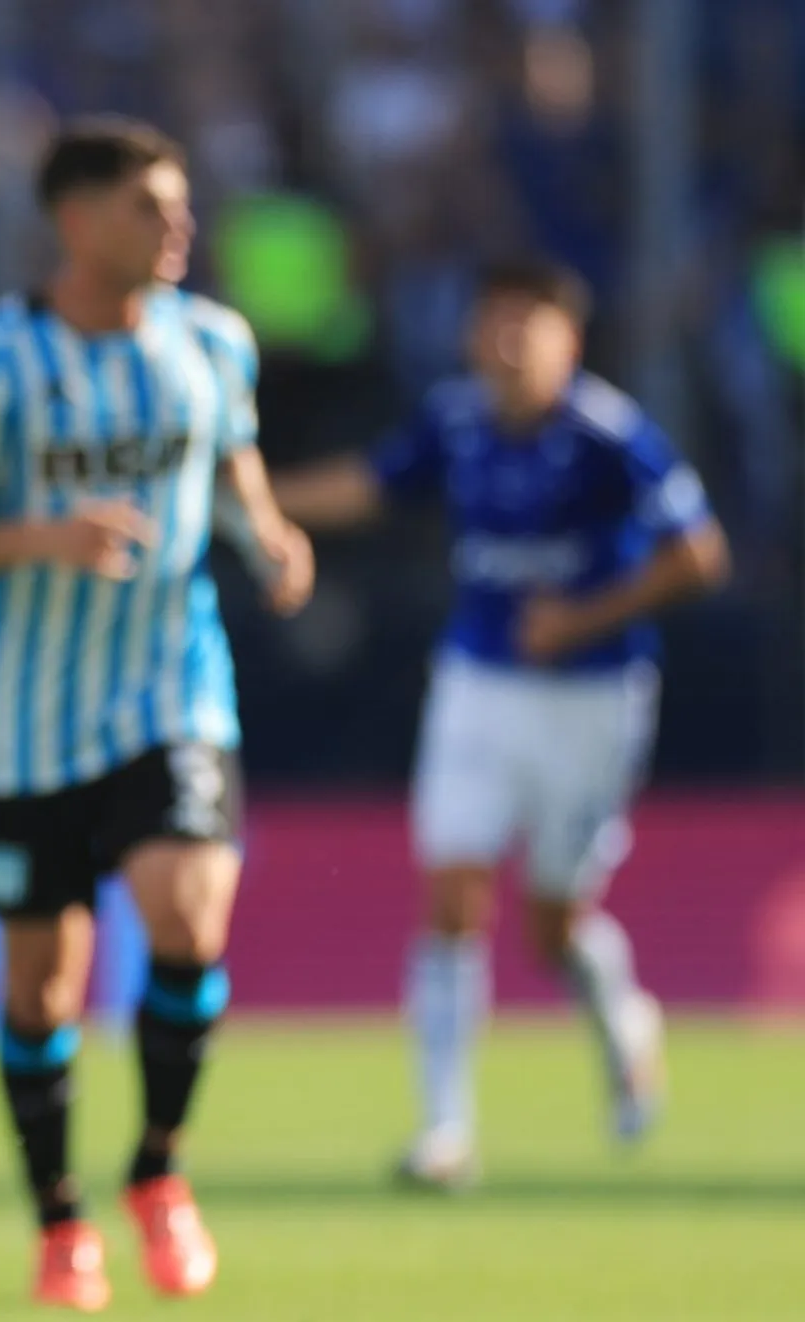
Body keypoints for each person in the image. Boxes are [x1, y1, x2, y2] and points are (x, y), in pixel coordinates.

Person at [0, 119, 315, 1312]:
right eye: (148, 208)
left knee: (186, 912)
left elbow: (231, 463)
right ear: (75, 221)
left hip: (174, 689)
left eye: (179, 207)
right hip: (32, 724)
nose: (177, 227)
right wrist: (43, 537)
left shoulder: (212, 342)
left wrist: (268, 535)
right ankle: (60, 1222)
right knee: (42, 989)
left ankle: (159, 1171)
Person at [275, 257, 728, 1189]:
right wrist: (255, 501)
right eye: (496, 322)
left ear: (571, 341)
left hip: (593, 696)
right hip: (478, 682)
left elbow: (700, 555)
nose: (511, 343)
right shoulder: (455, 421)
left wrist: (582, 618)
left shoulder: (608, 435)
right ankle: (445, 1131)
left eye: (531, 325)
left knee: (552, 925)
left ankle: (622, 1018)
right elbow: (371, 484)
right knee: (453, 891)